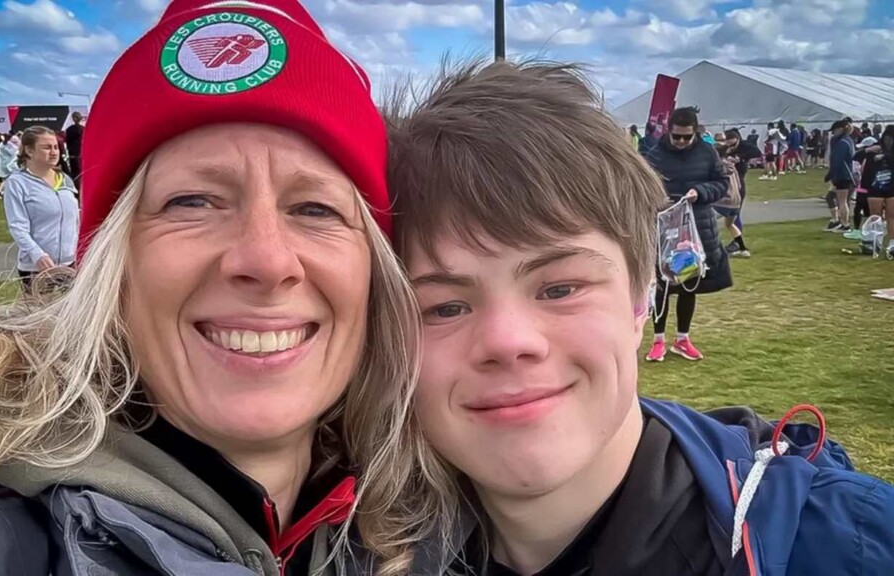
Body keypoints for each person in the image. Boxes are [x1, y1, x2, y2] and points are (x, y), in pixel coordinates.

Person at [0, 1, 431, 575]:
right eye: (192, 201)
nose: (266, 259)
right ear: (112, 270)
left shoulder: (425, 528)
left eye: (315, 208)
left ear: (375, 273)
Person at [382, 58, 894, 576]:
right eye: (445, 307)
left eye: (559, 288)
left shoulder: (842, 546)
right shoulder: (354, 547)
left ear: (640, 300)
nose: (508, 340)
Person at [644, 106, 731, 361]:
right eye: (676, 136)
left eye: (687, 137)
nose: (681, 142)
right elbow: (639, 184)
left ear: (695, 133)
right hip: (664, 228)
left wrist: (700, 192)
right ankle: (658, 340)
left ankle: (682, 338)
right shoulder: (653, 153)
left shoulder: (707, 152)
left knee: (688, 283)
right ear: (668, 131)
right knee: (662, 285)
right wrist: (656, 199)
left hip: (697, 228)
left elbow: (722, 183)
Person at [2, 126, 78, 290]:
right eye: (47, 147)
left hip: (70, 264)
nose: (54, 152)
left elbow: (76, 219)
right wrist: (37, 255)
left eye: (56, 147)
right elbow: (17, 226)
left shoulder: (65, 179)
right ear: (29, 151)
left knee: (71, 314)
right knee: (43, 315)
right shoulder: (17, 183)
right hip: (37, 268)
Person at [720, 127, 761, 257]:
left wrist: (740, 157)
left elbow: (756, 152)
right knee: (729, 221)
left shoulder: (744, 147)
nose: (729, 145)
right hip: (729, 187)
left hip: (734, 189)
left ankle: (737, 245)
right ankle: (740, 246)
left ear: (737, 139)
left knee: (730, 217)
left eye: (731, 142)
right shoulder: (724, 151)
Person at [860, 126, 894, 257]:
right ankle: (874, 243)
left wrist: (884, 156)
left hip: (890, 187)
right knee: (876, 217)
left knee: (891, 217)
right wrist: (869, 150)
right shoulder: (875, 148)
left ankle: (891, 244)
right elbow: (857, 155)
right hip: (875, 188)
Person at [825, 119, 855, 233]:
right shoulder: (844, 140)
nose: (833, 133)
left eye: (834, 130)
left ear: (841, 129)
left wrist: (830, 174)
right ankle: (839, 221)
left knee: (842, 201)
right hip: (841, 174)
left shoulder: (843, 142)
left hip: (843, 175)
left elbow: (837, 160)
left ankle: (845, 224)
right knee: (836, 199)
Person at [0, 133, 19, 198]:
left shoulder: (3, 145)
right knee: (9, 178)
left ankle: (3, 192)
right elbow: (13, 152)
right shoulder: (6, 146)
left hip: (4, 164)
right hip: (7, 164)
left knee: (7, 178)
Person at [65, 111, 84, 193]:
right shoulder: (83, 129)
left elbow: (67, 141)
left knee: (75, 175)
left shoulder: (68, 130)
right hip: (81, 155)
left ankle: (77, 191)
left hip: (73, 155)